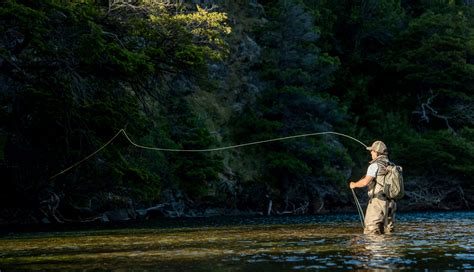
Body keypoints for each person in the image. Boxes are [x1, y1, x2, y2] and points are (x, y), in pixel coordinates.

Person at [349, 140, 396, 234]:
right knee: (388, 231)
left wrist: (354, 184)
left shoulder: (374, 165)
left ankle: (375, 248)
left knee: (371, 230)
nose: (371, 152)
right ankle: (387, 248)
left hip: (378, 201)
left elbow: (366, 182)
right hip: (391, 203)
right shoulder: (391, 165)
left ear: (377, 152)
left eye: (372, 151)